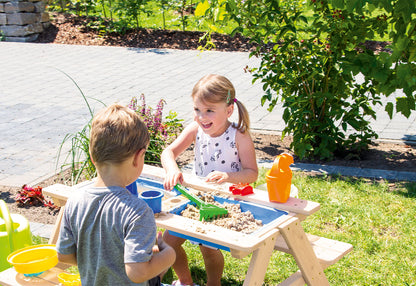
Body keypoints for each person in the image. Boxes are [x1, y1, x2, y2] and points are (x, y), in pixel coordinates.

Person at [56, 104, 176, 286]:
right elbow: (137, 273)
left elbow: (63, 254)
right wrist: (168, 254)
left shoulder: (75, 200)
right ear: (138, 157)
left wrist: (103, 262)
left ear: (92, 155)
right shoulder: (138, 211)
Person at [161, 74, 258, 286]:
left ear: (229, 110)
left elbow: (252, 173)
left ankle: (213, 284)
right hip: (195, 198)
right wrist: (171, 169)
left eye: (209, 111)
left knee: (208, 249)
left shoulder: (238, 135)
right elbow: (168, 152)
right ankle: (186, 282)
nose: (201, 117)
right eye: (197, 110)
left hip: (222, 204)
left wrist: (228, 177)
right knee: (168, 242)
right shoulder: (196, 129)